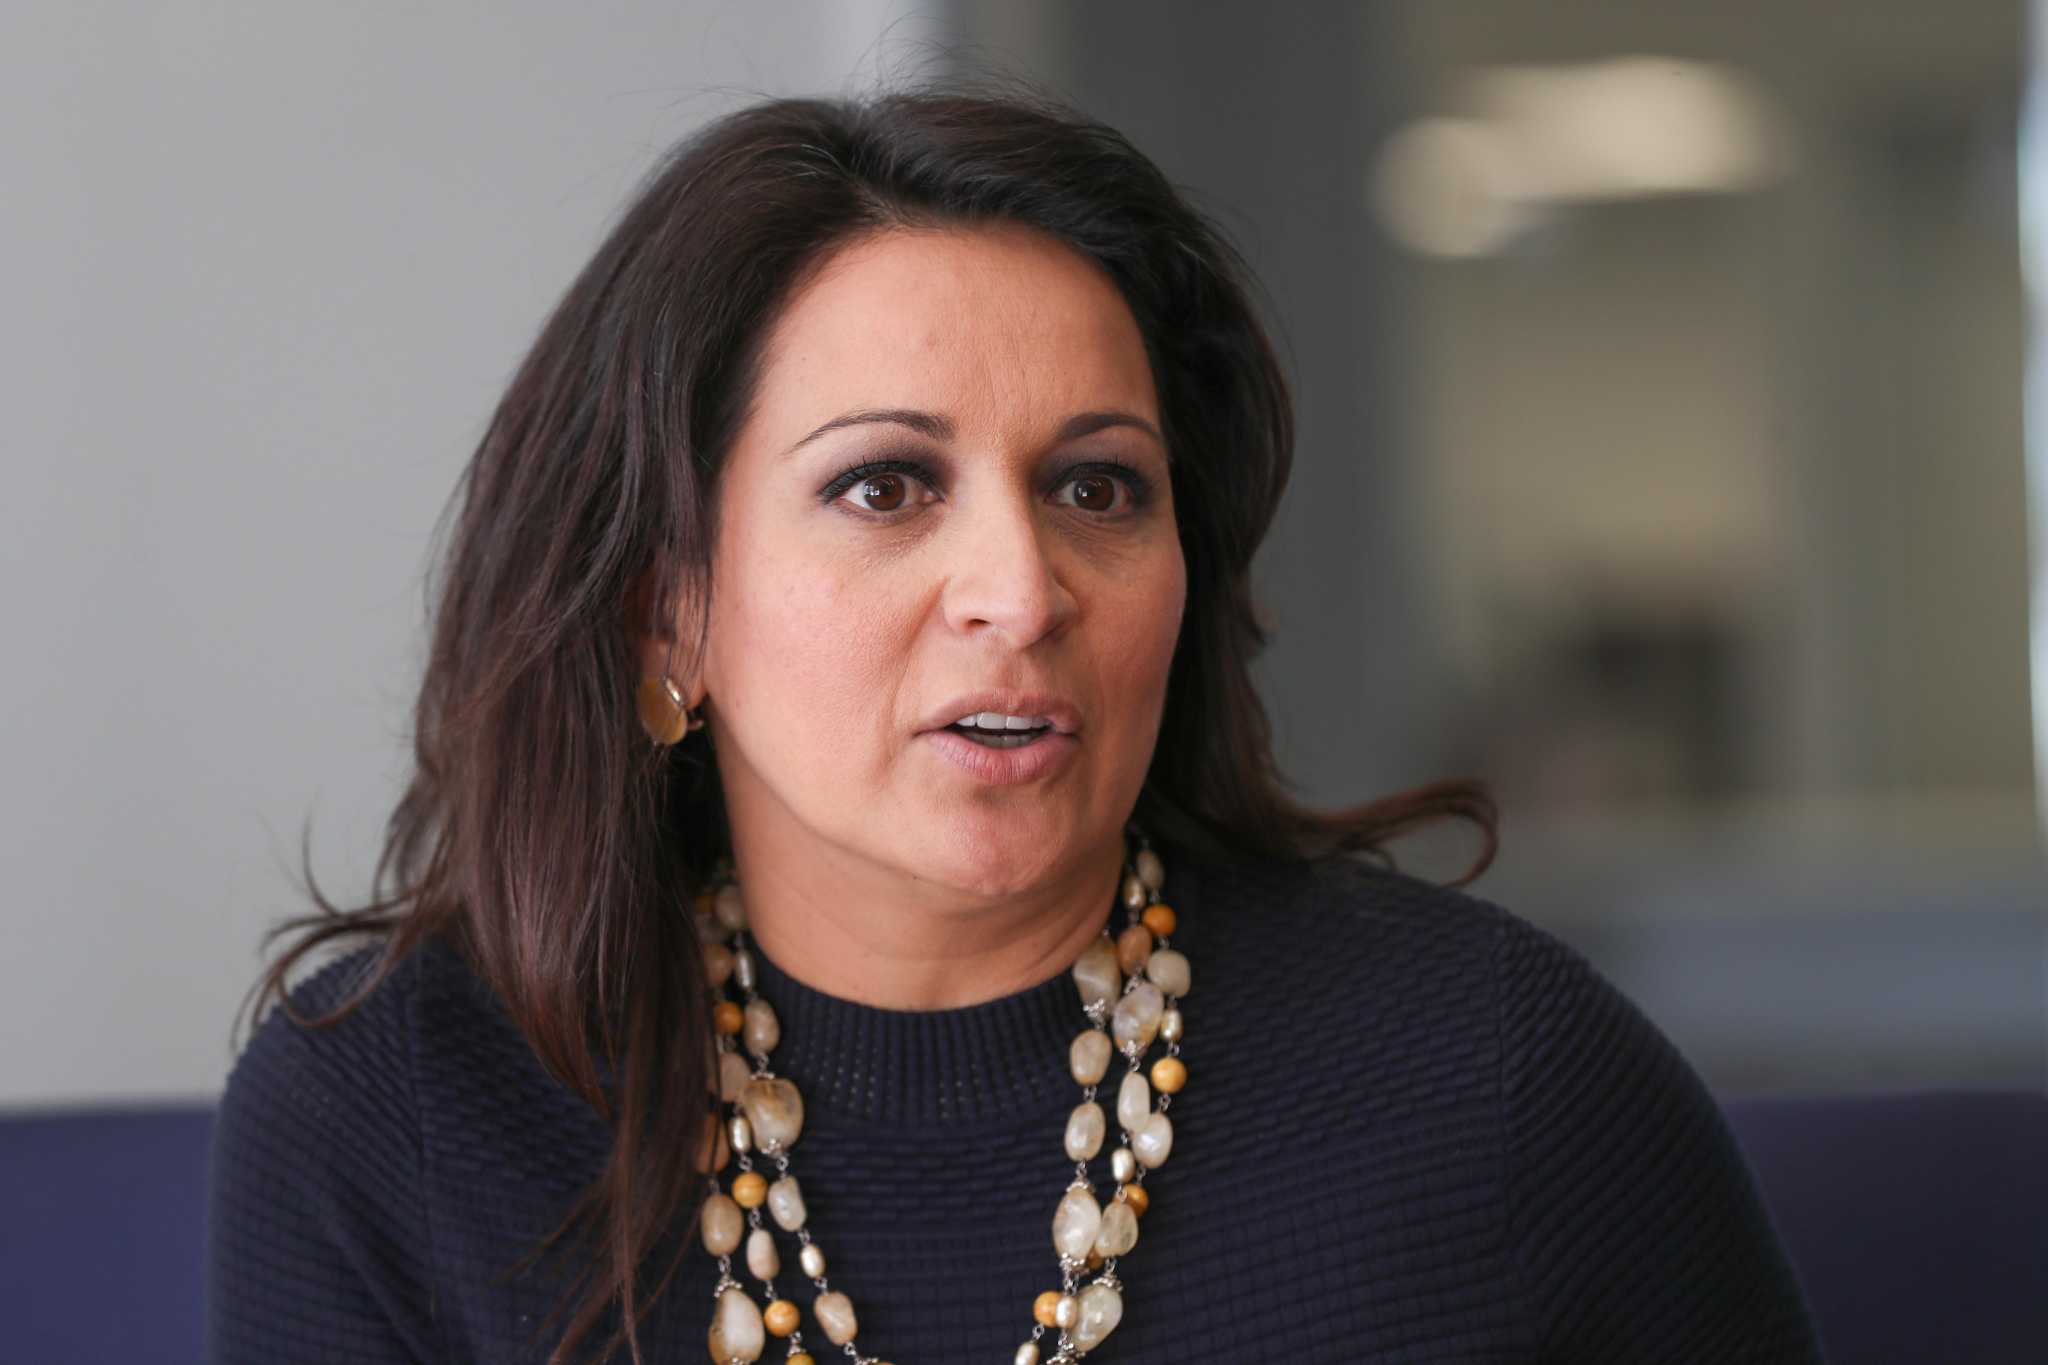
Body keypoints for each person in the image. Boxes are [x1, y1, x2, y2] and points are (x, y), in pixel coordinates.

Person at [207, 81, 1826, 1365]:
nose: (1022, 589)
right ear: (666, 608)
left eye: (1097, 487)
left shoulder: (1505, 1078)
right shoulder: (399, 1116)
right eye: (885, 486)